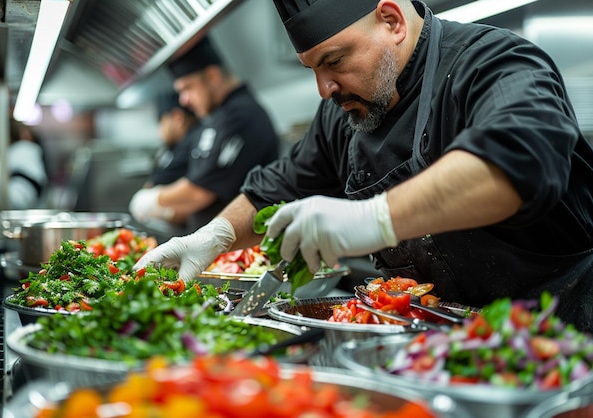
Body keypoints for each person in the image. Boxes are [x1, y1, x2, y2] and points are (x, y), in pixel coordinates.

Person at [135, 0, 593, 334]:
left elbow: (517, 162)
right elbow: (276, 188)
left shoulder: (496, 63)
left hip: (563, 338)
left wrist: (374, 218)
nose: (323, 88)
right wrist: (212, 237)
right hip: (443, 339)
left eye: (334, 61)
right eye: (312, 68)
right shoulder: (344, 111)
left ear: (391, 20)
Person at [129, 36, 280, 235]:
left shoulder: (241, 115)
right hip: (217, 245)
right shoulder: (220, 116)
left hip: (239, 249)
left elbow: (200, 192)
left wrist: (154, 199)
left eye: (187, 88)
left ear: (212, 76)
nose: (184, 100)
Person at [129, 90, 203, 233]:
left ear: (177, 117)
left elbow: (199, 194)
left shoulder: (196, 142)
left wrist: (158, 207)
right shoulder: (173, 147)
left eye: (161, 123)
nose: (160, 132)